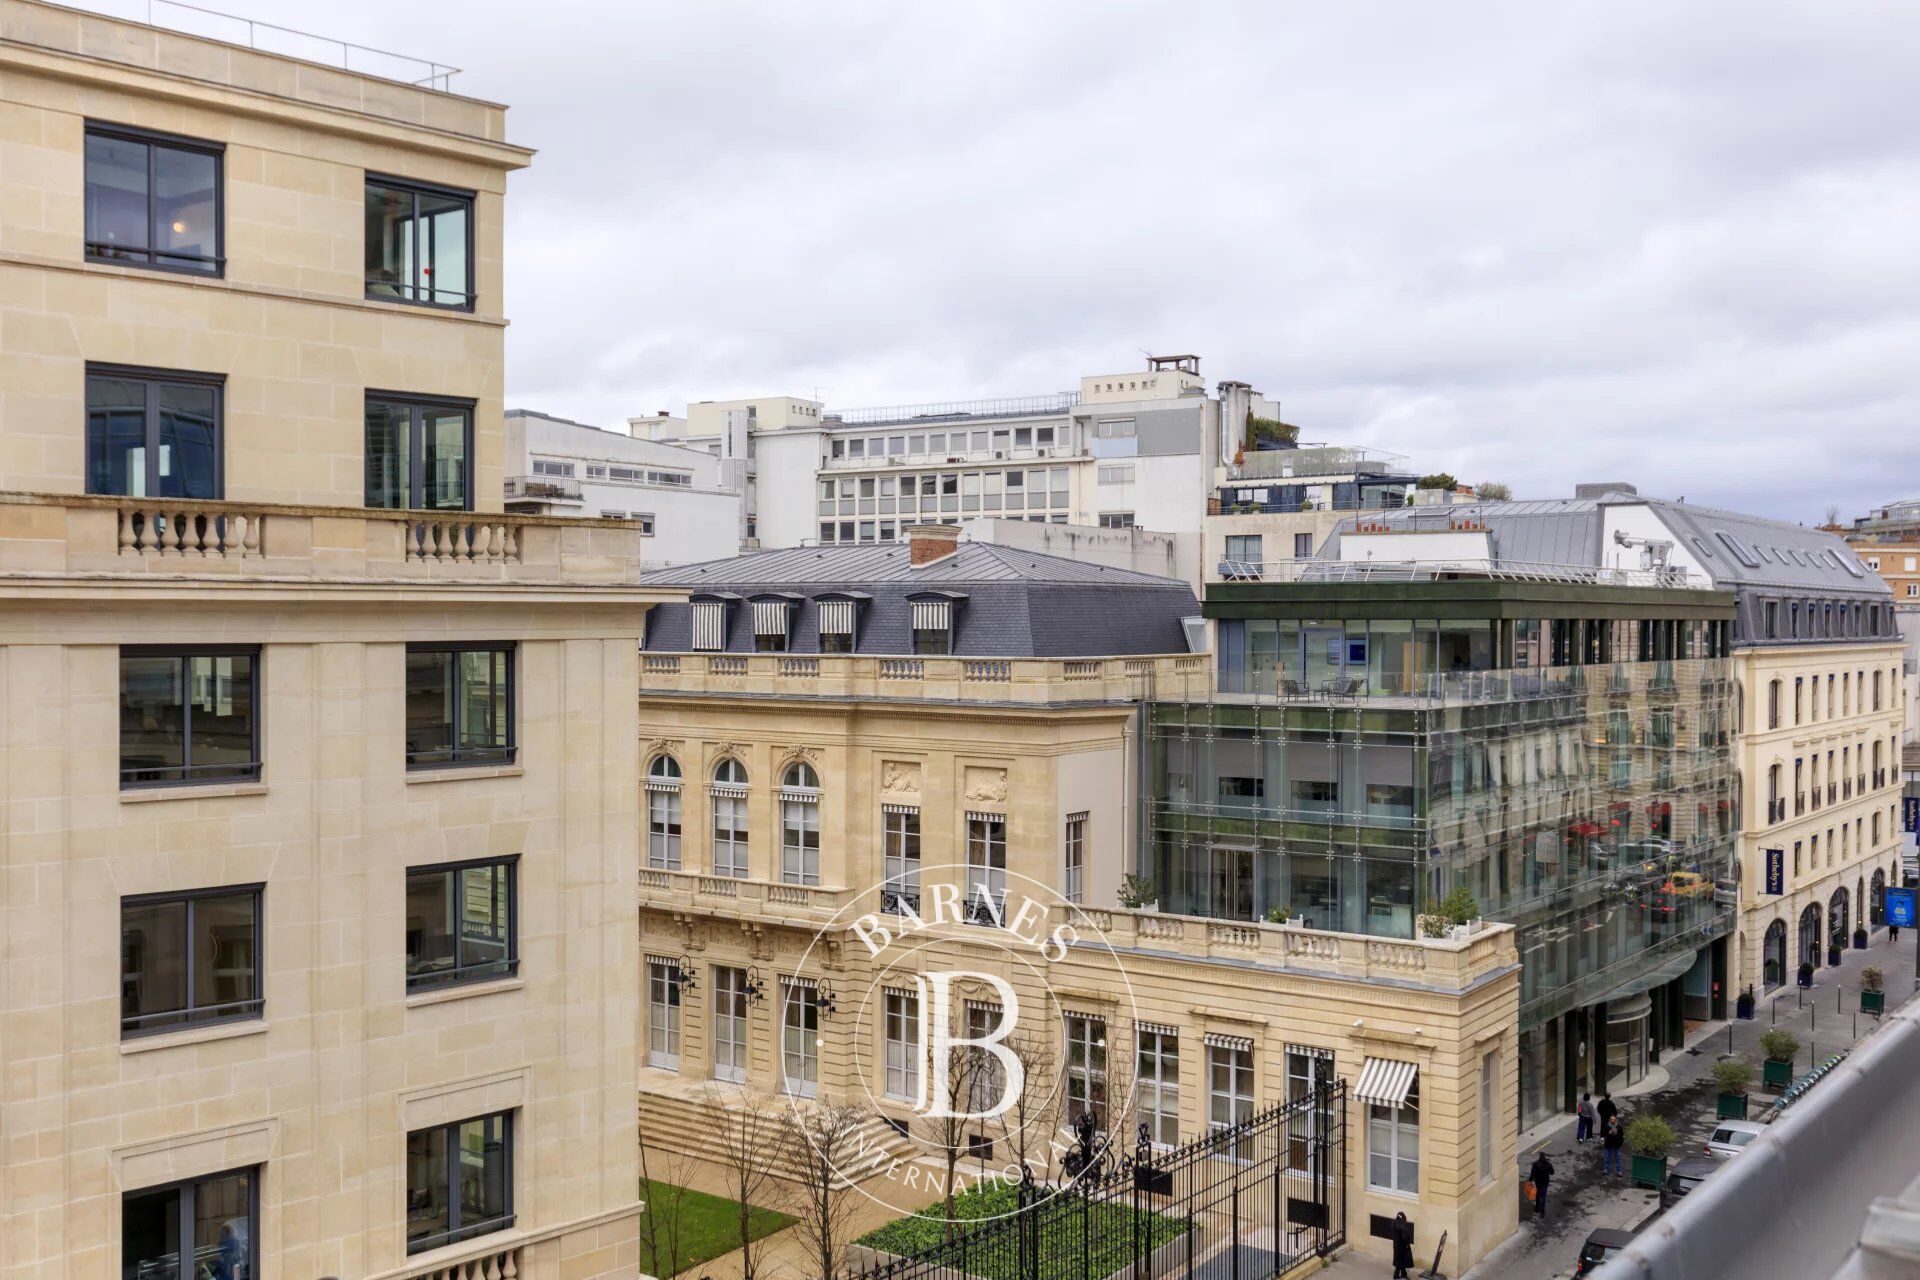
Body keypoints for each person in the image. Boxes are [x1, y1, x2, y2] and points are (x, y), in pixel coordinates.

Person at [1529, 1149, 1554, 1218]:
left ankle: (1536, 1208)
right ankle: (1542, 1212)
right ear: (1545, 1157)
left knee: (1538, 1195)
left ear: (1539, 1157)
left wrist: (1530, 1181)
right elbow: (1552, 1173)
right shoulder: (1548, 1164)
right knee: (1543, 1197)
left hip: (1538, 1182)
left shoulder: (1535, 1164)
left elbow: (1532, 1173)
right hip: (1545, 1183)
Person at [1391, 1211, 1415, 1279]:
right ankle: (1396, 1275)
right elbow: (1405, 1238)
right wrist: (1407, 1245)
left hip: (1396, 1245)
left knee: (1400, 1260)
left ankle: (1403, 1274)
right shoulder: (1402, 1227)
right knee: (1400, 1260)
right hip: (1402, 1246)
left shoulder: (1394, 1223)